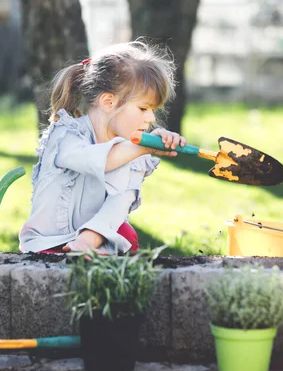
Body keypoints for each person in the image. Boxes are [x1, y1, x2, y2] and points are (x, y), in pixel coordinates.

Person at [19, 40, 186, 256]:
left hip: (93, 235)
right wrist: (145, 148)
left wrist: (89, 239)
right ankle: (83, 253)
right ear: (108, 102)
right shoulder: (66, 135)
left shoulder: (133, 153)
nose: (151, 118)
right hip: (49, 239)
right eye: (143, 108)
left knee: (127, 234)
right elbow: (96, 161)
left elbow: (120, 204)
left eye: (153, 109)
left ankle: (91, 250)